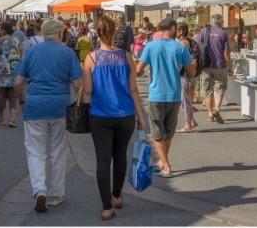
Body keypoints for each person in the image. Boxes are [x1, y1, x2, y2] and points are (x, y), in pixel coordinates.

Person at [15, 19, 83, 213]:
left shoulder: (31, 52)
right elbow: (78, 85)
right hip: (60, 107)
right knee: (58, 151)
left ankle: (39, 189)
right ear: (60, 34)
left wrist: (21, 102)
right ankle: (55, 193)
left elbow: (18, 83)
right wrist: (81, 105)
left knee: (35, 151)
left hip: (35, 106)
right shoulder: (68, 53)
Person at [83, 15, 145, 221]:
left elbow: (89, 90)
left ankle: (106, 207)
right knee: (120, 156)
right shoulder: (127, 57)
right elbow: (134, 89)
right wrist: (141, 116)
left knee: (102, 160)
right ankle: (117, 196)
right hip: (125, 114)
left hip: (100, 115)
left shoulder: (91, 59)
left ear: (98, 34)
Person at [136, 18, 191, 178]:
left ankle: (166, 167)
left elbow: (139, 70)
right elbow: (192, 71)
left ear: (161, 29)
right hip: (174, 94)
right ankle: (162, 161)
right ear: (173, 28)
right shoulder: (180, 48)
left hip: (156, 94)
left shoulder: (151, 46)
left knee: (157, 133)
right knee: (167, 132)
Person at [196, 14, 232, 124]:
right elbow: (226, 52)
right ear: (220, 22)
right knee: (219, 88)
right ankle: (216, 109)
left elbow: (197, 47)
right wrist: (230, 65)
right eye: (223, 21)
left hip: (206, 65)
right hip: (220, 65)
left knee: (207, 90)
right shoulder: (223, 33)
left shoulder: (203, 31)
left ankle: (210, 113)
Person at [176, 23, 201, 133]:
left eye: (176, 30)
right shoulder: (191, 40)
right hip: (193, 73)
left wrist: (175, 72)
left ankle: (188, 124)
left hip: (186, 74)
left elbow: (181, 60)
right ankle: (192, 120)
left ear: (181, 31)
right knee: (186, 99)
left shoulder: (183, 42)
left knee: (184, 100)